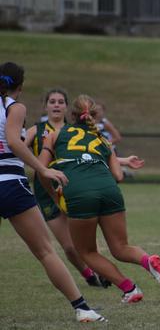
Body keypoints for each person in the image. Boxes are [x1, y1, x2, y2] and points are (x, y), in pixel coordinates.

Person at [38, 94, 160, 304]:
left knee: (87, 252)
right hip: (109, 190)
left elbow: (41, 170)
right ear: (94, 115)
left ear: (71, 115)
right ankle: (148, 261)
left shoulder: (55, 134)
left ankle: (130, 288)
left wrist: (55, 196)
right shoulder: (104, 140)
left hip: (79, 193)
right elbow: (118, 175)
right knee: (121, 247)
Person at [0, 62, 105, 322]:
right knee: (45, 251)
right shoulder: (14, 106)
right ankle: (82, 308)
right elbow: (13, 142)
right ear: (20, 87)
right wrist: (42, 169)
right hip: (10, 183)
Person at [24, 88, 110, 288]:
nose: (56, 105)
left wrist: (122, 160)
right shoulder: (36, 130)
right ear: (45, 105)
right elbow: (16, 147)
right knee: (70, 247)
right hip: (47, 192)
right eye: (52, 101)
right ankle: (89, 275)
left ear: (66, 107)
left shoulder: (74, 131)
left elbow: (96, 154)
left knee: (87, 241)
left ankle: (102, 271)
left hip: (74, 187)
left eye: (60, 101)